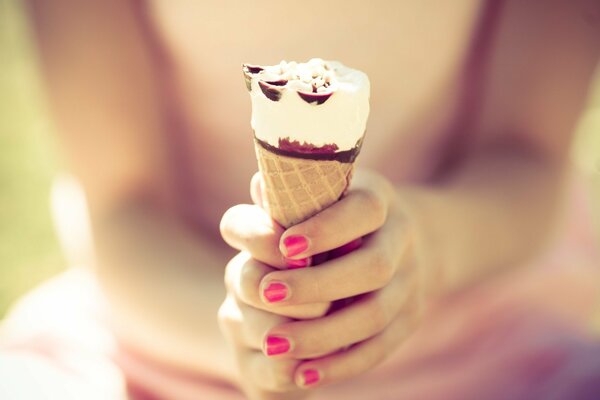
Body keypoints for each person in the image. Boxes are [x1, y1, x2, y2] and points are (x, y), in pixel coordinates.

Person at [1, 0, 599, 399]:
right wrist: (246, 340)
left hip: (482, 326)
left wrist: (424, 250)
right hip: (168, 331)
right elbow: (124, 209)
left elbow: (527, 156)